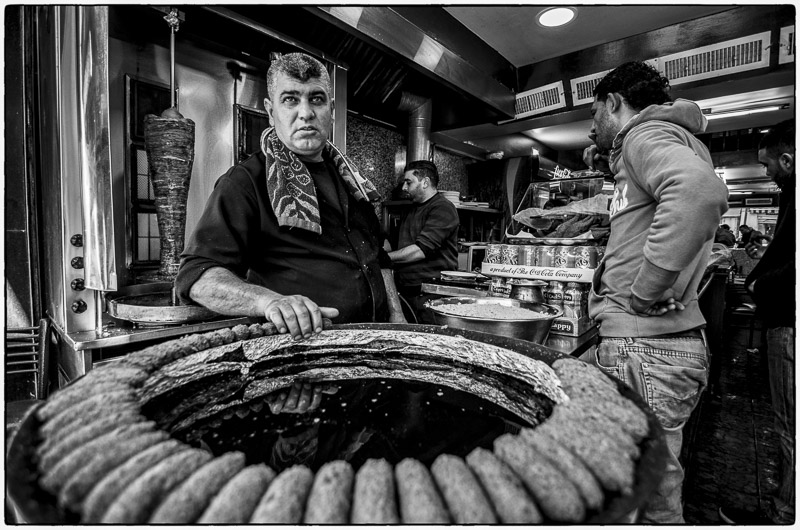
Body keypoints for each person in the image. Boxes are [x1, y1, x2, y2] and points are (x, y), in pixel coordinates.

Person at [175, 52, 406, 413]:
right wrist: (269, 301)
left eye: (316, 98)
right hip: (298, 376)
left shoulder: (354, 184)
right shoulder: (245, 182)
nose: (305, 113)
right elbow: (197, 276)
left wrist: (396, 315)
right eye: (290, 99)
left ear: (330, 107)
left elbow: (379, 258)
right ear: (271, 110)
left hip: (369, 358)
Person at [579, 61, 729, 524]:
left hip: (644, 346)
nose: (591, 127)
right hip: (652, 347)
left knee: (640, 500)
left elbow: (698, 194)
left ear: (613, 102)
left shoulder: (646, 137)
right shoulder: (659, 139)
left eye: (595, 114)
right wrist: (607, 157)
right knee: (652, 487)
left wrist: (645, 292)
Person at [719, 120, 795, 525]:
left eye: (769, 165)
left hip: (789, 322)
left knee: (791, 427)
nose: (767, 173)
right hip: (783, 319)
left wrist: (761, 284)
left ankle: (785, 516)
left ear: (788, 158)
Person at [388, 160, 459, 318]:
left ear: (425, 182)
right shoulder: (411, 208)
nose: (404, 188)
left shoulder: (443, 208)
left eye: (408, 182)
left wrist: (383, 258)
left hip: (431, 293)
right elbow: (396, 244)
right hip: (408, 291)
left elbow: (420, 251)